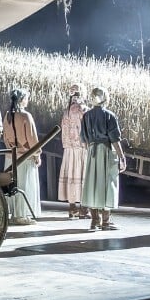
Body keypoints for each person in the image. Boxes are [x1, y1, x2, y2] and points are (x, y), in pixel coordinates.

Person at [80, 86, 127, 232]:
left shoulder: (86, 116)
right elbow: (115, 139)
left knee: (92, 184)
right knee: (107, 184)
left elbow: (84, 138)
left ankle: (95, 221)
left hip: (92, 151)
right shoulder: (109, 115)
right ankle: (105, 221)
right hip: (106, 151)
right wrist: (121, 157)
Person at [3, 88, 41, 225]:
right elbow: (31, 138)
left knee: (13, 185)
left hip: (10, 156)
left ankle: (13, 213)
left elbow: (5, 137)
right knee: (24, 185)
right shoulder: (25, 116)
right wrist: (37, 153)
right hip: (24, 156)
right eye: (26, 98)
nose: (27, 101)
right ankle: (21, 215)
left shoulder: (7, 115)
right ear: (22, 99)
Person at [58, 84, 90, 219]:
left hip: (69, 149)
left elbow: (64, 132)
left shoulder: (66, 111)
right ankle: (84, 208)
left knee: (71, 176)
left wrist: (66, 145)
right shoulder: (84, 110)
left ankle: (72, 208)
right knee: (83, 176)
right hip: (82, 148)